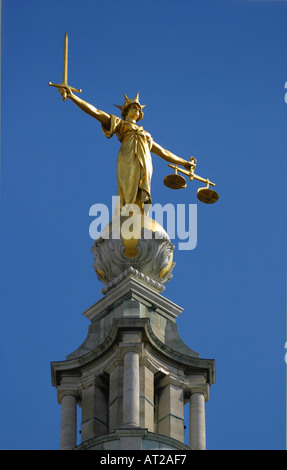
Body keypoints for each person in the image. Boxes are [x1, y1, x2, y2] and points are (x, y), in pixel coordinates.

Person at [58, 88, 192, 214]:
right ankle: (128, 213)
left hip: (145, 162)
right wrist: (72, 96)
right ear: (126, 111)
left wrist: (184, 163)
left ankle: (139, 215)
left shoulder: (146, 135)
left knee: (142, 188)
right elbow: (95, 112)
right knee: (128, 186)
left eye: (139, 109)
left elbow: (163, 152)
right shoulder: (120, 124)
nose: (137, 110)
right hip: (128, 158)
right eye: (134, 107)